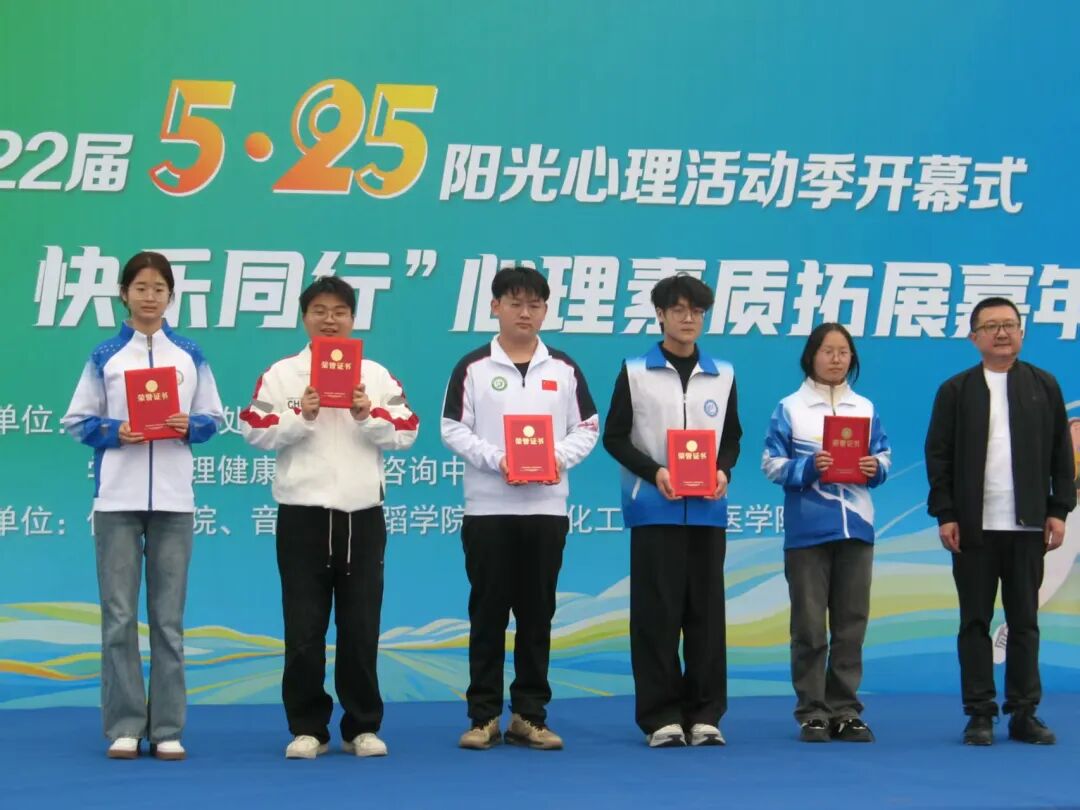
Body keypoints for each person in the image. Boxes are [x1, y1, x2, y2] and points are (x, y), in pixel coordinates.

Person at [240, 275, 418, 759]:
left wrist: (367, 414)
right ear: (304, 317)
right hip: (303, 515)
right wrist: (302, 417)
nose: (330, 320)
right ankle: (307, 728)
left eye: (340, 311)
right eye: (319, 311)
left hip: (362, 516)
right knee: (304, 628)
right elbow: (253, 428)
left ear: (353, 319)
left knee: (361, 627)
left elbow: (407, 430)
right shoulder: (283, 374)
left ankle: (362, 726)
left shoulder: (375, 375)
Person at [61, 251, 225, 761]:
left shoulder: (189, 353)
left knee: (168, 622)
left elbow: (214, 417)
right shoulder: (106, 355)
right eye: (141, 287)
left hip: (175, 502)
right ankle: (126, 725)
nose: (150, 296)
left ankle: (169, 727)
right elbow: (76, 421)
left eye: (159, 288)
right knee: (117, 618)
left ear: (171, 295)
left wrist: (190, 425)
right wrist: (116, 431)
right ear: (123, 294)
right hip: (117, 501)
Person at [441, 266, 599, 751]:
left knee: (537, 615)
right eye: (515, 303)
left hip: (546, 510)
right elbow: (452, 428)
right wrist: (500, 460)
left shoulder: (564, 368)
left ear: (545, 310)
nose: (525, 312)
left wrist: (553, 459)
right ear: (495, 307)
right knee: (487, 613)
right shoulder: (473, 366)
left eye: (534, 304)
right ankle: (484, 716)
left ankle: (529, 715)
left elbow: (587, 427)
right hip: (489, 510)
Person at [925, 296, 1075, 746]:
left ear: (1022, 333)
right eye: (991, 326)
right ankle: (979, 713)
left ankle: (1024, 712)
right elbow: (939, 456)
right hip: (973, 528)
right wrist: (947, 514)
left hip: (1028, 526)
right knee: (974, 621)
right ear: (974, 338)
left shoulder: (1043, 385)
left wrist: (1058, 509)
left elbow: (1061, 454)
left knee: (1024, 621)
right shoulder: (956, 390)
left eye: (1009, 324)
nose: (1002, 333)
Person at [602, 274, 741, 748]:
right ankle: (660, 716)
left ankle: (705, 714)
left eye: (696, 311)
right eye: (678, 309)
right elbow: (615, 437)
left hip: (707, 511)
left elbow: (732, 437)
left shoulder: (723, 374)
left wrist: (722, 470)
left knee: (706, 614)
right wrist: (655, 471)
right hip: (654, 509)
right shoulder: (635, 371)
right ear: (660, 314)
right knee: (656, 615)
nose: (688, 318)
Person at [761, 323, 890, 743]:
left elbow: (884, 455)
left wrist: (875, 467)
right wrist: (808, 467)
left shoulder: (864, 408)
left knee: (852, 625)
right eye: (827, 351)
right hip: (808, 532)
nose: (836, 359)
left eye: (843, 352)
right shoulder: (791, 408)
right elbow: (771, 464)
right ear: (811, 356)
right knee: (810, 627)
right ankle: (812, 711)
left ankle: (845, 710)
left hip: (857, 529)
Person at [991, 415, 1080, 663]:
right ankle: (1010, 630)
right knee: (1048, 579)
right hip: (1070, 514)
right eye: (1076, 430)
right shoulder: (1061, 447)